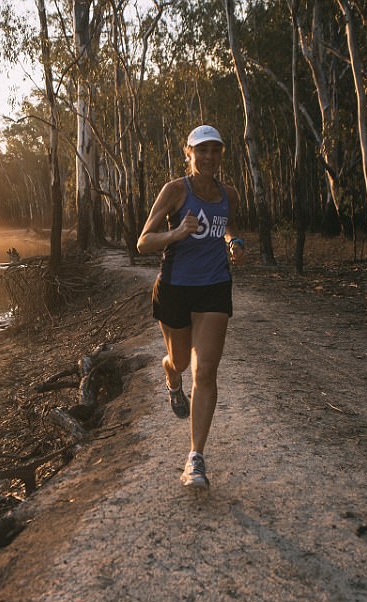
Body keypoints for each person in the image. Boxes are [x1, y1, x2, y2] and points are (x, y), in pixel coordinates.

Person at [136, 124, 245, 489]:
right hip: (175, 289)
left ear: (221, 154)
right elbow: (144, 242)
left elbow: (226, 225)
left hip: (214, 287)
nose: (210, 157)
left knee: (206, 373)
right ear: (189, 153)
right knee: (181, 362)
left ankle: (195, 458)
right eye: (202, 151)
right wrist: (177, 233)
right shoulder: (175, 191)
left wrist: (234, 241)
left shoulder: (228, 193)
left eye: (216, 150)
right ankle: (170, 376)